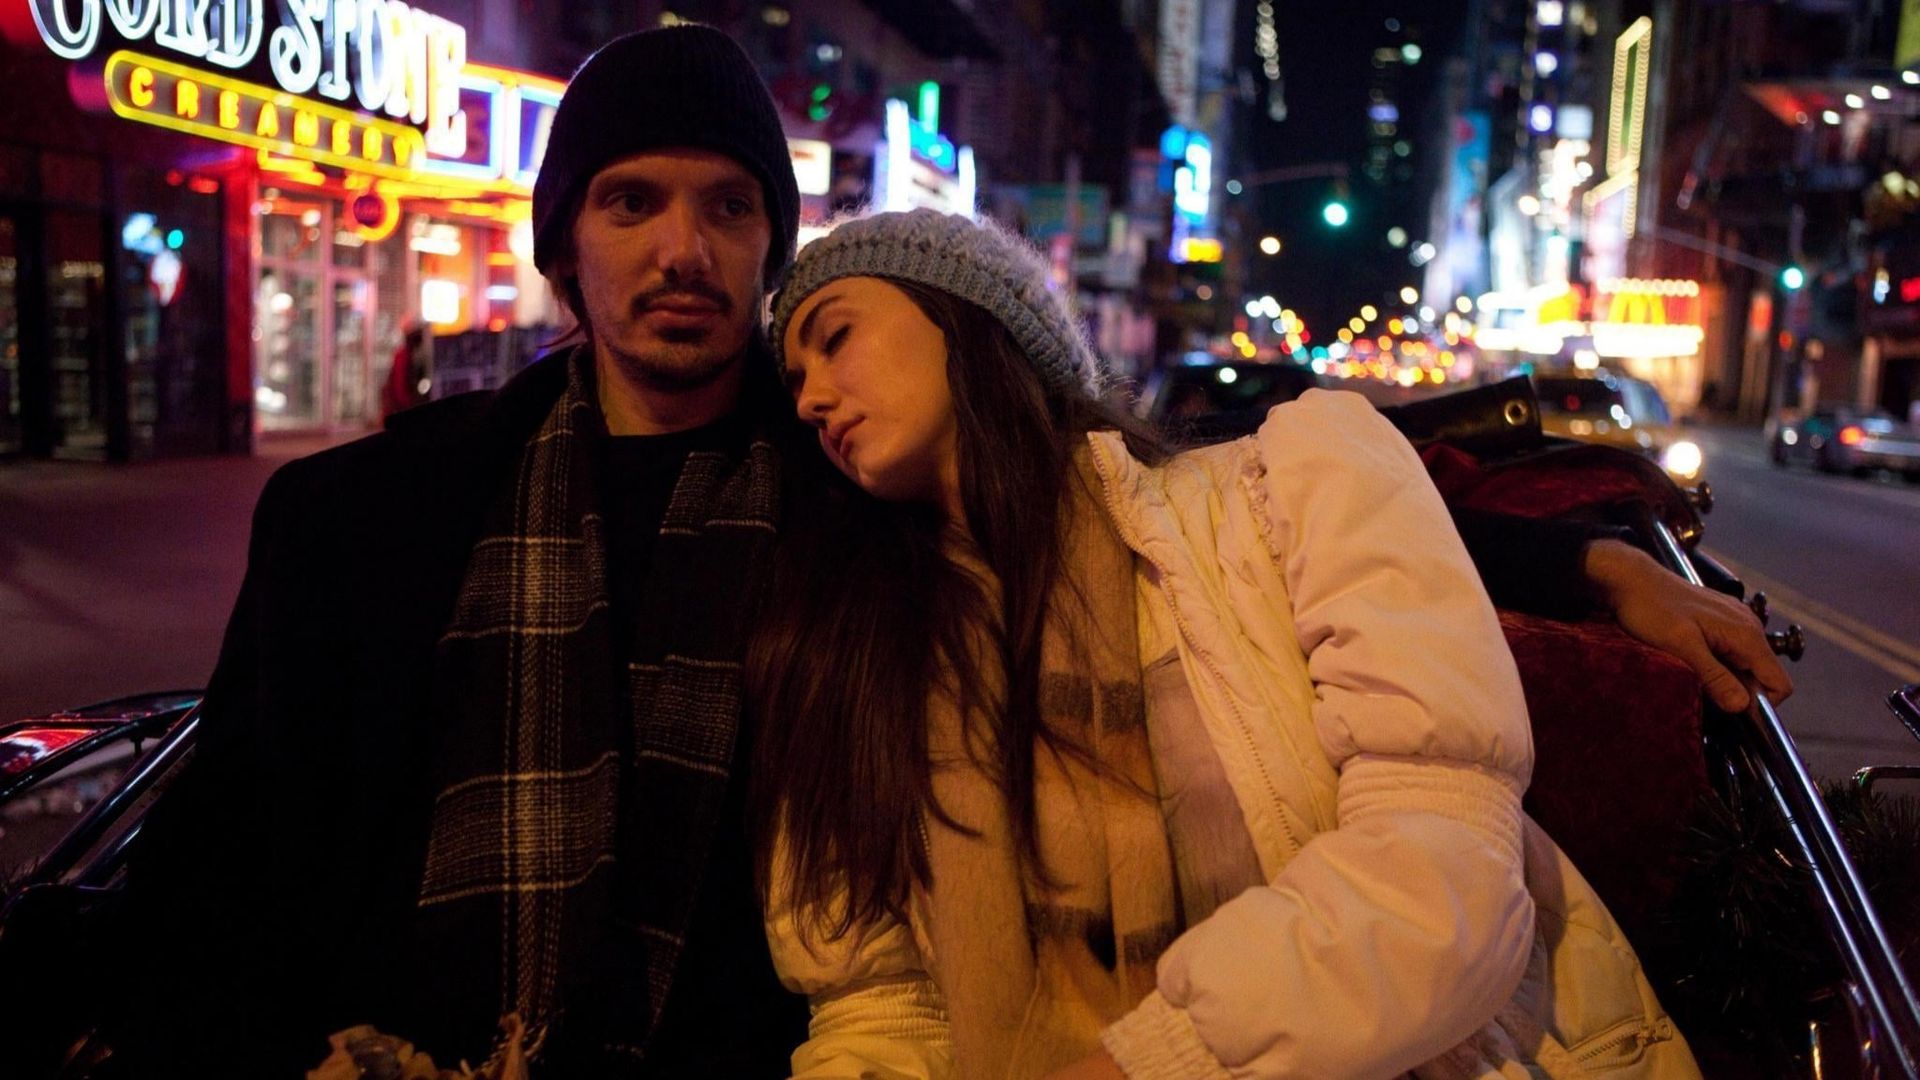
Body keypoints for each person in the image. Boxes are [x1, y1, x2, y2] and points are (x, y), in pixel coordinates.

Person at [753, 209, 1707, 1078]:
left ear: (972, 318)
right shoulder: (854, 648)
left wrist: (1152, 1064)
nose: (810, 400)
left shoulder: (1293, 488)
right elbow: (879, 1007)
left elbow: (1446, 879)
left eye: (835, 339)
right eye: (793, 380)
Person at [103, 26, 811, 1075]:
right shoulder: (355, 519)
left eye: (730, 205)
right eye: (631, 202)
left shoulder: (852, 518)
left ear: (772, 244)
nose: (685, 251)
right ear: (564, 247)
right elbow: (230, 868)